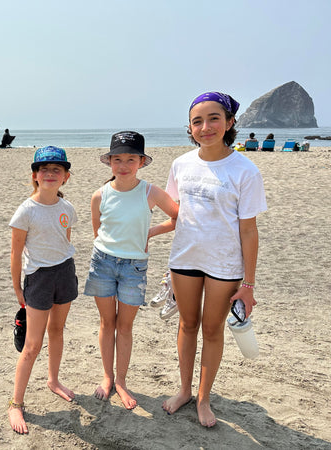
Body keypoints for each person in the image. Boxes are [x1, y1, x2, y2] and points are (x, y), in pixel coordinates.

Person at [162, 92, 267, 427]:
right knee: (187, 325)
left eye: (213, 119)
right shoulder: (181, 164)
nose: (205, 127)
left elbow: (249, 231)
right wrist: (144, 233)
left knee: (212, 329)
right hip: (185, 258)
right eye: (197, 121)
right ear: (190, 127)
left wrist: (248, 285)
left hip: (224, 264)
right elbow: (176, 213)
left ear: (229, 123)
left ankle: (204, 399)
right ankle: (184, 391)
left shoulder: (245, 170)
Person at [83, 131, 178, 409]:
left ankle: (121, 381)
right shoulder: (99, 195)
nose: (123, 165)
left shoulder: (151, 192)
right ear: (109, 162)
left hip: (134, 267)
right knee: (106, 323)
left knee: (124, 327)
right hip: (102, 262)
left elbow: (177, 218)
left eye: (130, 159)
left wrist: (149, 233)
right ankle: (107, 376)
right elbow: (98, 232)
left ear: (141, 162)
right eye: (118, 159)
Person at [8, 146, 78, 434]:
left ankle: (53, 380)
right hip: (38, 277)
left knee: (58, 331)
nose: (50, 174)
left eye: (56, 170)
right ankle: (16, 403)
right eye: (44, 170)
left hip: (65, 271)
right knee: (32, 345)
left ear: (66, 176)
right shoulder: (26, 210)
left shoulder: (67, 208)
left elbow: (65, 241)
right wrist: (18, 289)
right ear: (35, 175)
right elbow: (15, 253)